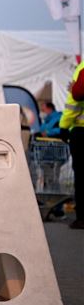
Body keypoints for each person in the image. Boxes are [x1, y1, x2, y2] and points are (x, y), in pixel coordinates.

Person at [60, 61, 84, 229]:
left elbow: (74, 101)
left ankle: (82, 217)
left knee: (82, 176)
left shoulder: (82, 68)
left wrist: (64, 125)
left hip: (81, 132)